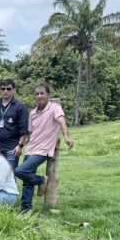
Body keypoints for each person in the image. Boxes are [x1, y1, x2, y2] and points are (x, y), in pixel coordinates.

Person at [15, 83, 73, 212]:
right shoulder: (33, 112)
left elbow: (62, 122)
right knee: (27, 181)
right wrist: (22, 144)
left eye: (42, 93)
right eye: (37, 94)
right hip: (31, 148)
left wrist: (67, 136)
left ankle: (41, 180)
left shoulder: (55, 108)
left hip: (43, 150)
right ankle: (25, 209)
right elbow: (31, 132)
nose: (40, 96)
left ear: (48, 95)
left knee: (20, 171)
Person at [0, 79, 29, 169]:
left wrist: (20, 146)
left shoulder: (20, 107)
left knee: (10, 174)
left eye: (8, 89)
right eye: (3, 89)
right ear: (0, 90)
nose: (5, 91)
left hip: (12, 148)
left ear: (14, 90)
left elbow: (23, 129)